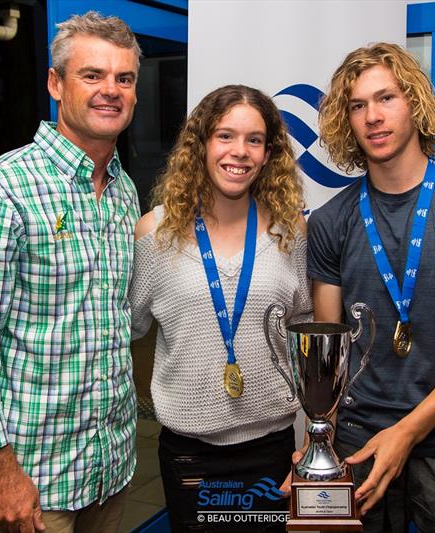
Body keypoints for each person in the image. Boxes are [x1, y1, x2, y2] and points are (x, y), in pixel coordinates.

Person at [0, 12, 141, 533]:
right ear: (55, 84)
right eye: (92, 75)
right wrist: (0, 472)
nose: (110, 91)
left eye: (125, 78)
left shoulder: (124, 192)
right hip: (33, 484)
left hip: (107, 472)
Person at [307, 42, 435, 532]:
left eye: (386, 99)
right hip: (357, 440)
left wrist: (407, 431)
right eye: (357, 106)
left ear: (416, 104)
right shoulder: (330, 221)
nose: (372, 117)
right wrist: (322, 437)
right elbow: (329, 345)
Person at [130, 85, 311, 532]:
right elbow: (131, 334)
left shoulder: (291, 232)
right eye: (225, 136)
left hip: (271, 449)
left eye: (254, 140)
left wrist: (314, 439)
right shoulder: (155, 233)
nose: (240, 152)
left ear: (269, 154)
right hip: (189, 454)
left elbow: (305, 336)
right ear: (202, 145)